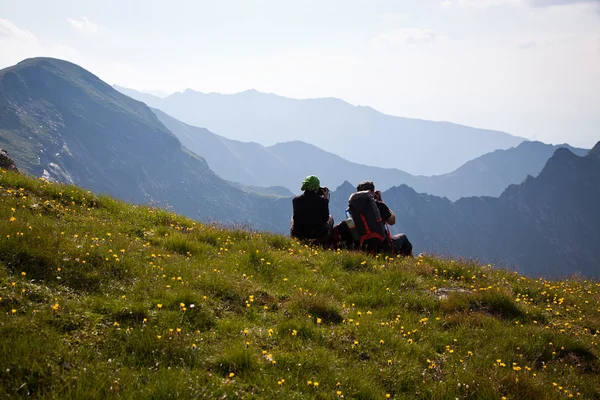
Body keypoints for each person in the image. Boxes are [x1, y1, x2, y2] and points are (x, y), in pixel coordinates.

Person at [354, 181, 413, 256]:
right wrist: (381, 201)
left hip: (363, 248)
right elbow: (392, 221)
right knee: (404, 238)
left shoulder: (354, 209)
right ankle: (410, 265)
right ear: (372, 192)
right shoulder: (379, 205)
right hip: (383, 247)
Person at [290, 175, 334, 244]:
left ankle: (296, 239)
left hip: (299, 233)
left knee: (292, 218)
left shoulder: (296, 200)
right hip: (318, 233)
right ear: (316, 188)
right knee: (330, 218)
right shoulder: (322, 201)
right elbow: (325, 218)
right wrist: (325, 199)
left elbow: (296, 217)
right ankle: (326, 242)